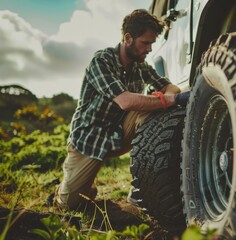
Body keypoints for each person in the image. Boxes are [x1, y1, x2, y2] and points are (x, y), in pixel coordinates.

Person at [55, 9, 190, 211]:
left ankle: (140, 185)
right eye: (145, 43)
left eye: (152, 43)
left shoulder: (140, 64)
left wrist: (166, 97)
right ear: (128, 38)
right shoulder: (101, 60)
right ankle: (70, 188)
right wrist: (171, 100)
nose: (149, 49)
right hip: (89, 140)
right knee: (69, 205)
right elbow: (125, 101)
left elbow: (170, 88)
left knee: (152, 105)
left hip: (118, 133)